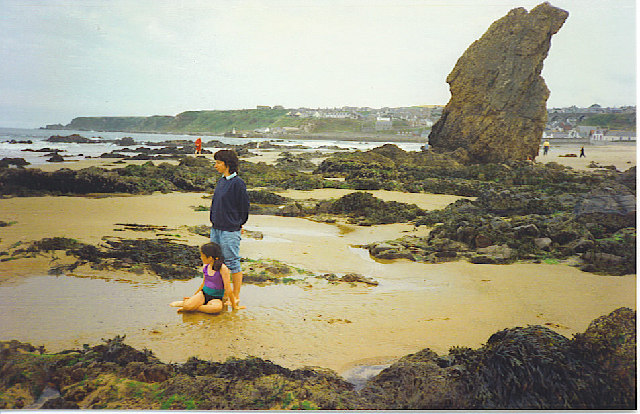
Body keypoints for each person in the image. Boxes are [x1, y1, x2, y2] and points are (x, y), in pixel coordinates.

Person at [210, 149, 250, 307]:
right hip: (216, 228)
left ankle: (236, 295)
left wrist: (238, 224)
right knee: (217, 261)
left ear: (227, 164)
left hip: (230, 230)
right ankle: (221, 293)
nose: (216, 166)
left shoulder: (238, 183)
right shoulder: (221, 181)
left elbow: (244, 207)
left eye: (219, 163)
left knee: (232, 262)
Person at [170, 242, 244, 313]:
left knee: (216, 309)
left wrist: (234, 306)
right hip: (204, 294)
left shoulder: (223, 268)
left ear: (210, 258)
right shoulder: (205, 266)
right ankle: (191, 305)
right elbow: (203, 284)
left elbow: (228, 289)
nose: (201, 257)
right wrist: (194, 296)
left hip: (216, 298)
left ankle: (195, 307)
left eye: (202, 255)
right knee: (187, 306)